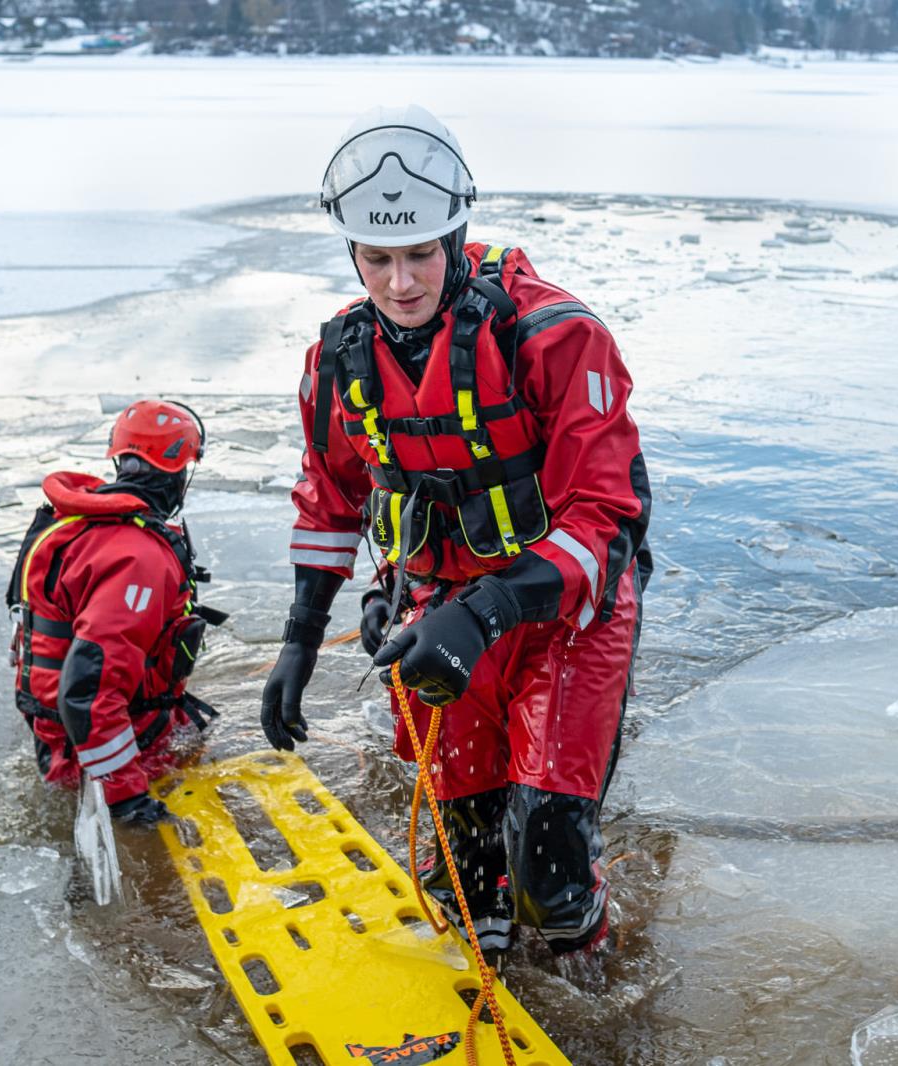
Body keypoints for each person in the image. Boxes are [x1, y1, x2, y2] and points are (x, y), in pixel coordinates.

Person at [259, 105, 651, 955]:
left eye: (421, 256)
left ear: (457, 237)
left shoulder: (556, 337)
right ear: (353, 254)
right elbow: (330, 499)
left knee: (546, 865)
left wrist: (486, 613)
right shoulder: (336, 364)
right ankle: (489, 968)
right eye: (378, 259)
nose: (400, 283)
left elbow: (607, 519)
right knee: (466, 872)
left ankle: (594, 993)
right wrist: (299, 641)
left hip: (564, 618)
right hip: (434, 612)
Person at [8, 399, 225, 827]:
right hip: (99, 753)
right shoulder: (138, 557)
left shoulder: (83, 525)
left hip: (68, 736)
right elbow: (88, 689)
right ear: (180, 468)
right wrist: (128, 798)